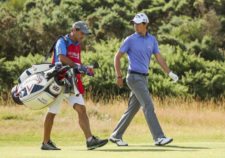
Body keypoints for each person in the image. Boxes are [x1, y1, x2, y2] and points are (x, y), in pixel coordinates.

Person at [109, 13, 179, 146]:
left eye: (138, 23)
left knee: (132, 109)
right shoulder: (130, 39)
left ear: (145, 24)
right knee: (148, 105)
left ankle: (116, 135)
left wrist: (169, 73)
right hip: (134, 77)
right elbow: (117, 57)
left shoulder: (152, 40)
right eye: (134, 23)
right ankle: (158, 137)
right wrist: (119, 76)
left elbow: (159, 57)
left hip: (143, 78)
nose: (135, 26)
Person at [41, 21, 108, 150]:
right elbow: (61, 58)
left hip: (71, 82)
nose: (83, 36)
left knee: (81, 109)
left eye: (84, 34)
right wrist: (79, 66)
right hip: (59, 81)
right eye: (81, 33)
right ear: (74, 30)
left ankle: (90, 140)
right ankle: (45, 142)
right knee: (52, 112)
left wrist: (86, 70)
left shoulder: (77, 45)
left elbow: (76, 64)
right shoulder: (62, 41)